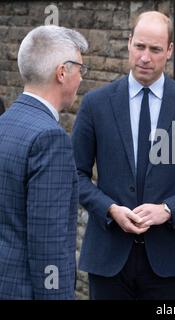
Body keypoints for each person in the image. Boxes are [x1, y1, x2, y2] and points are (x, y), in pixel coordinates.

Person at [72, 11, 175, 300]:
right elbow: (74, 174)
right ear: (129, 43)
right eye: (139, 46)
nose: (145, 57)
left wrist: (167, 210)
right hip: (108, 257)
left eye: (155, 50)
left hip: (166, 260)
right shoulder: (96, 104)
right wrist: (109, 208)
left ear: (169, 51)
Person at [0, 25, 88, 299]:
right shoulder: (50, 138)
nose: (81, 79)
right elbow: (49, 243)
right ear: (62, 72)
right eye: (81, 70)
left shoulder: (4, 124)